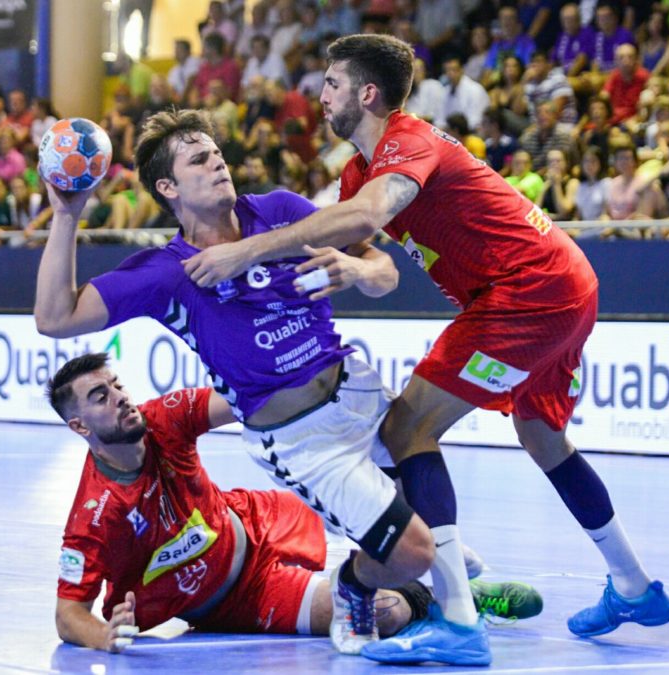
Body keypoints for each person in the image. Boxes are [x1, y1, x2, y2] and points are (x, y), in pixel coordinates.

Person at [180, 32, 669, 667]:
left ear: (366, 93)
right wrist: (349, 268)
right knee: (542, 438)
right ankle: (634, 586)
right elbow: (358, 249)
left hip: (526, 291)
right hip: (557, 285)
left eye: (332, 84)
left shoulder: (406, 140)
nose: (321, 95)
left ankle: (459, 622)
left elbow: (365, 218)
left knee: (407, 427)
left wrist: (244, 250)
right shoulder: (358, 171)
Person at [33, 108, 459, 658]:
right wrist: (67, 215)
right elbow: (55, 318)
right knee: (414, 552)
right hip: (304, 440)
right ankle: (364, 585)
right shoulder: (167, 272)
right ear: (167, 188)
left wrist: (358, 271)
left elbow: (385, 270)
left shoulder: (279, 210)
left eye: (216, 153)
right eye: (198, 160)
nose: (218, 163)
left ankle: (463, 603)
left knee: (437, 517)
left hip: (360, 392)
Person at [51, 353, 539, 653]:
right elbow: (68, 614)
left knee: (365, 502)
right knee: (386, 613)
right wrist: (102, 636)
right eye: (100, 396)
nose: (120, 397)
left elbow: (248, 400)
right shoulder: (93, 516)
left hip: (260, 518)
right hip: (241, 598)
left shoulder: (162, 418)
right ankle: (457, 598)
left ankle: (440, 562)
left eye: (117, 385)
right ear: (79, 426)